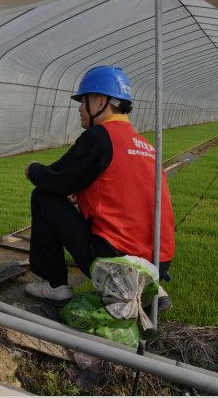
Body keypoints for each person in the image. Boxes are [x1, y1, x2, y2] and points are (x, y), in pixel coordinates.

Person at [23, 66, 175, 308]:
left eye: (83, 101)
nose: (80, 108)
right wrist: (81, 194)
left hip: (116, 260)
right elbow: (122, 189)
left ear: (101, 102)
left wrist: (33, 169)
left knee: (43, 195)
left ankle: (54, 285)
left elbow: (55, 179)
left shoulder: (100, 136)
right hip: (159, 260)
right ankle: (147, 283)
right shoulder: (144, 145)